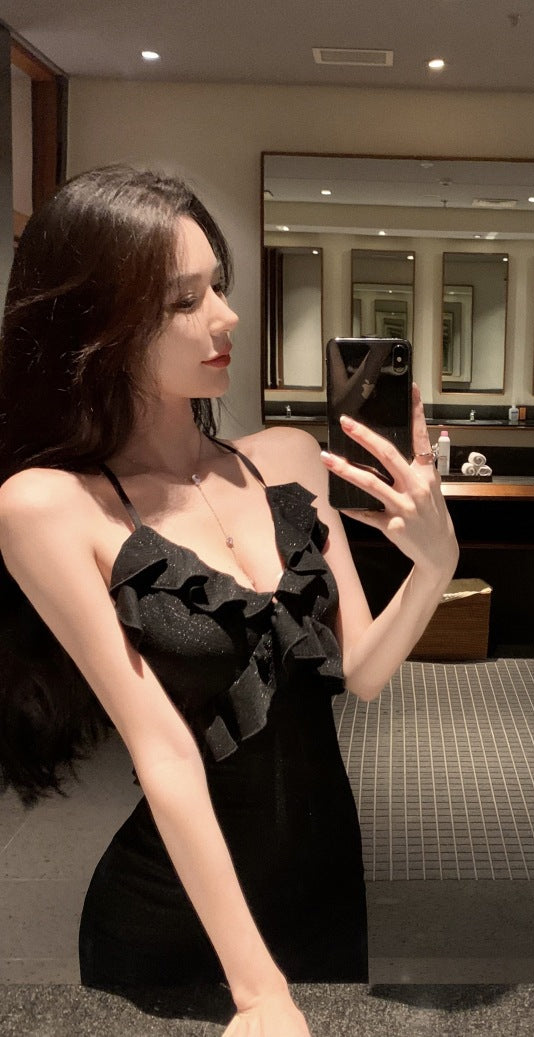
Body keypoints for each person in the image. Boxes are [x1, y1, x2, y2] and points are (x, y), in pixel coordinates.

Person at [0, 166, 458, 1036]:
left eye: (219, 286)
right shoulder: (51, 506)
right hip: (174, 925)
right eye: (184, 300)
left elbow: (361, 673)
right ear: (99, 321)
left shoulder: (286, 457)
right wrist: (258, 991)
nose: (227, 316)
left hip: (330, 890)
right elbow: (164, 749)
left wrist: (435, 564)